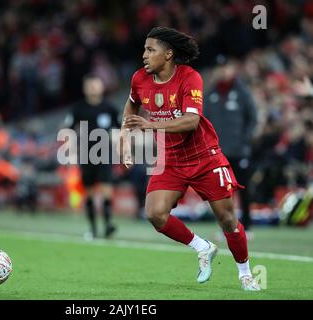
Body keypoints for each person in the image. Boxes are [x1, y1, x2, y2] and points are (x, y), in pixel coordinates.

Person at [120, 26, 261, 291]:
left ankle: (245, 273)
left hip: (204, 157)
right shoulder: (139, 79)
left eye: (151, 50)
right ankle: (203, 247)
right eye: (144, 49)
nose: (144, 55)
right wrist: (124, 139)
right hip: (171, 159)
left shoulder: (190, 78)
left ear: (169, 54)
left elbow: (191, 121)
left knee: (227, 219)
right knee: (154, 213)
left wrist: (150, 126)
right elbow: (131, 104)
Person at [204, 55, 257, 235]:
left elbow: (252, 117)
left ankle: (247, 226)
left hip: (239, 150)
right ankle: (228, 226)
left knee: (244, 188)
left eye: (226, 67)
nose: (223, 71)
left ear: (232, 69)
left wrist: (245, 140)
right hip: (218, 153)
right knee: (223, 192)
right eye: (220, 68)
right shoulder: (211, 94)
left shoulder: (242, 91)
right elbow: (203, 122)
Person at [66, 74, 119, 239]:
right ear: (85, 88)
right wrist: (70, 152)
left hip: (105, 154)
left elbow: (120, 129)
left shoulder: (110, 108)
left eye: (96, 85)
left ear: (102, 87)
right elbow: (68, 130)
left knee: (106, 190)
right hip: (86, 155)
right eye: (90, 85)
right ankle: (93, 228)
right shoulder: (78, 109)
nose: (93, 88)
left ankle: (108, 224)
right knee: (88, 192)